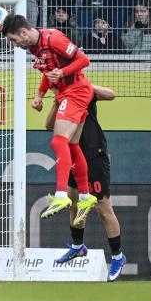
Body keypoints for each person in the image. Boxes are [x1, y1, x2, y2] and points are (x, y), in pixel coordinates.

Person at [2, 14, 96, 225]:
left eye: (13, 40)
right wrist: (39, 94)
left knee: (58, 140)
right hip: (66, 93)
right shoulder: (34, 48)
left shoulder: (53, 38)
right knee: (72, 145)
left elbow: (83, 60)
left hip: (76, 91)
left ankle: (61, 195)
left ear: (24, 33)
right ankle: (84, 196)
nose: (14, 45)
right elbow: (48, 71)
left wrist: (62, 72)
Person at [45, 84, 127, 282]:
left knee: (103, 208)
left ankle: (118, 256)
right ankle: (77, 246)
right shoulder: (61, 97)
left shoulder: (83, 91)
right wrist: (56, 103)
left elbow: (112, 94)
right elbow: (49, 125)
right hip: (72, 155)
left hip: (94, 156)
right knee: (74, 203)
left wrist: (87, 86)